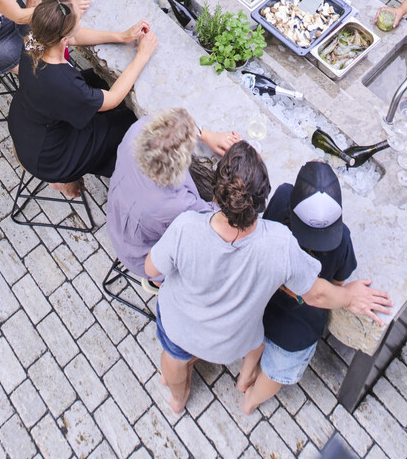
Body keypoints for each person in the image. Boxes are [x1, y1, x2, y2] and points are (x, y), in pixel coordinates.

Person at [145, 142, 392, 414]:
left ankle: (178, 399)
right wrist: (349, 296)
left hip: (179, 326)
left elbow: (151, 270)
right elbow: (316, 293)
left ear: (217, 193)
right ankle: (246, 399)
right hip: (230, 344)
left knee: (174, 356)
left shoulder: (186, 226)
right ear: (263, 198)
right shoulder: (279, 243)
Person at [7, 0, 157, 198]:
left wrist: (122, 36)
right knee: (131, 123)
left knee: (101, 79)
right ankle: (67, 181)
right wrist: (142, 56)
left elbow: (74, 38)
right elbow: (112, 99)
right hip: (50, 156)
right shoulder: (62, 83)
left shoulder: (35, 39)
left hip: (31, 118)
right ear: (63, 40)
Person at [240, 161, 358, 415]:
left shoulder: (282, 196)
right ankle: (250, 401)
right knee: (274, 374)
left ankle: (244, 376)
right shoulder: (343, 240)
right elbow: (336, 286)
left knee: (254, 342)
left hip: (260, 308)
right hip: (296, 332)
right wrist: (349, 296)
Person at [105, 108, 241, 280]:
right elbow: (215, 219)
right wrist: (236, 170)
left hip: (115, 221)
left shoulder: (137, 131)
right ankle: (161, 285)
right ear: (179, 166)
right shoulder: (176, 203)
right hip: (141, 257)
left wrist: (206, 135)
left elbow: (170, 126)